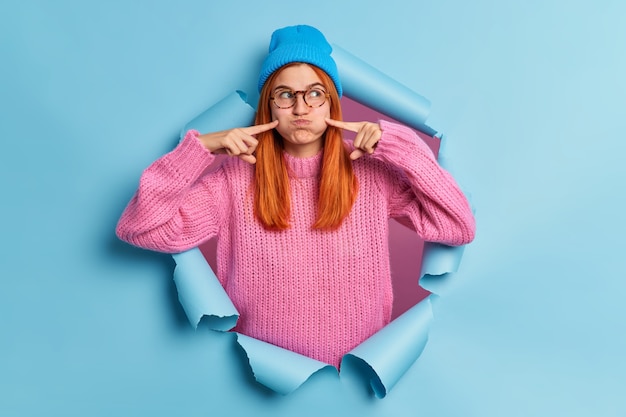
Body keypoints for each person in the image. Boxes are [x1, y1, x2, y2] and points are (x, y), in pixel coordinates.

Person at [116, 24, 475, 367]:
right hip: (264, 380)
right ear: (269, 105)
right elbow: (140, 228)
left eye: (314, 94)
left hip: (351, 380)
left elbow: (457, 226)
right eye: (285, 94)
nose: (301, 109)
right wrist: (201, 148)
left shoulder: (372, 172)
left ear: (332, 103)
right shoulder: (234, 180)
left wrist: (404, 148)